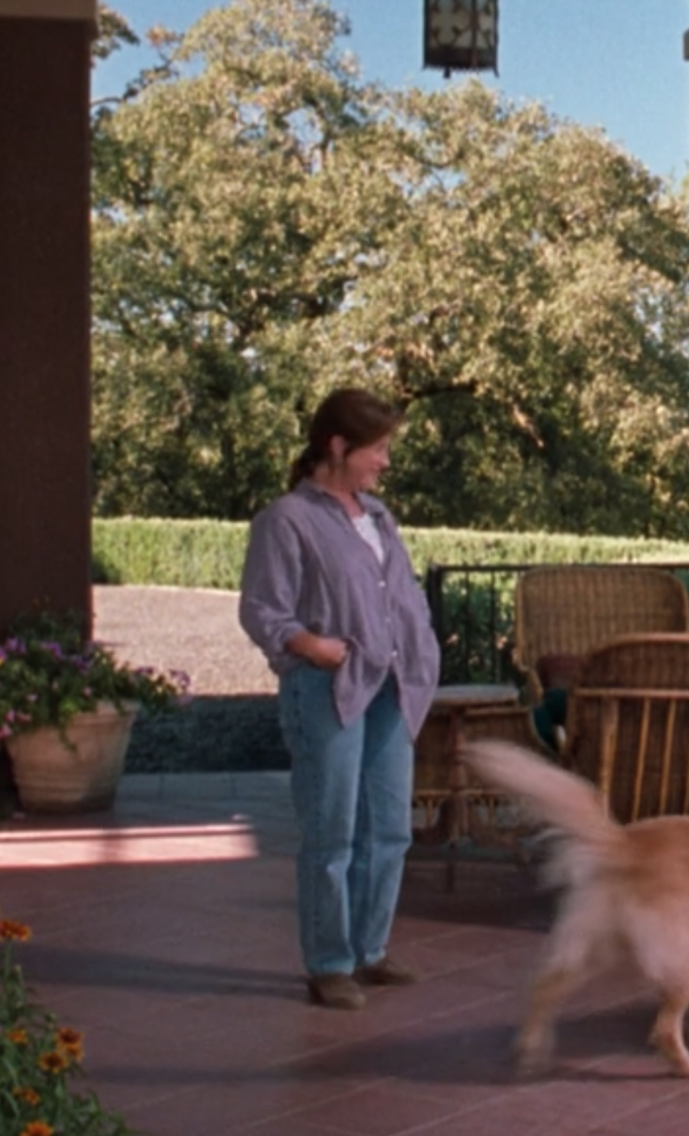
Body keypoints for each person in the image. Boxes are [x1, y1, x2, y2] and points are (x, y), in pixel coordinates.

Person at [239, 388, 440, 1009]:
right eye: (376, 449)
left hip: (391, 686)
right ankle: (329, 963)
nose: (385, 461)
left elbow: (399, 593)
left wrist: (422, 644)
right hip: (327, 687)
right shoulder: (286, 520)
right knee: (332, 832)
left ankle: (369, 949)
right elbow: (262, 609)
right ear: (337, 446)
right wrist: (312, 646)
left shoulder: (378, 516)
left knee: (390, 828)